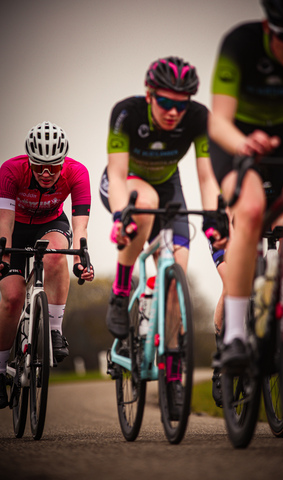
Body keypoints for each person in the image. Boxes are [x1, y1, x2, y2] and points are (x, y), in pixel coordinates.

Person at [100, 56, 226, 416]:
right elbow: (118, 172)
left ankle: (172, 376)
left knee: (175, 283)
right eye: (166, 102)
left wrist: (215, 215)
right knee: (145, 203)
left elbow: (206, 177)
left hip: (172, 191)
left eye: (181, 105)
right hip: (126, 186)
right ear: (149, 94)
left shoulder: (199, 118)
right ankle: (121, 290)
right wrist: (124, 215)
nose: (173, 112)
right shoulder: (127, 114)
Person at [208, 0, 283, 374]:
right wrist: (243, 144)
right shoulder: (240, 44)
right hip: (236, 135)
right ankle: (236, 334)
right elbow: (219, 121)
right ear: (268, 28)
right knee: (251, 208)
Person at [0, 121, 94, 409]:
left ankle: (53, 329)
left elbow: (80, 229)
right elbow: (4, 220)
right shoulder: (11, 170)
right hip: (15, 228)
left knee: (56, 255)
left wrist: (80, 260)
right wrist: (3, 258)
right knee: (13, 297)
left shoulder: (77, 173)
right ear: (29, 159)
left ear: (62, 162)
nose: (45, 173)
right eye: (39, 165)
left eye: (52, 167)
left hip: (51, 224)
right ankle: (1, 368)